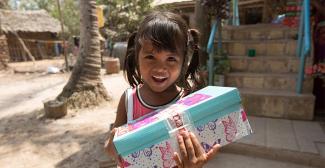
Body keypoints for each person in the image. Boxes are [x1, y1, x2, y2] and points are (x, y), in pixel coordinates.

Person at [104, 11, 220, 168]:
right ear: (137, 56)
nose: (160, 68)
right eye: (150, 57)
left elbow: (194, 153)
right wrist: (113, 145)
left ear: (183, 61)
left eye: (171, 59)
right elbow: (111, 149)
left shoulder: (188, 102)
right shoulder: (129, 99)